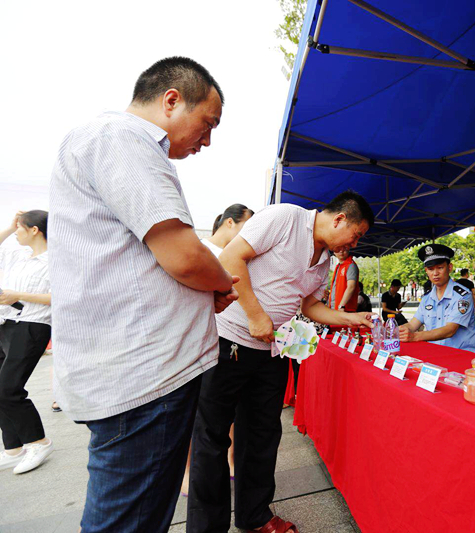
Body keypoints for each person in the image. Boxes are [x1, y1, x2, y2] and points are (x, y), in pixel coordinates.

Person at [49, 57, 239, 532]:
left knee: (142, 515)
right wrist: (221, 284)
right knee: (129, 521)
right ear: (172, 99)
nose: (207, 140)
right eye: (207, 124)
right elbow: (183, 256)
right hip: (142, 378)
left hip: (142, 372)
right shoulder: (121, 138)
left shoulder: (122, 145)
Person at [187, 190, 374, 533]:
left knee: (261, 436)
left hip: (272, 351)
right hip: (229, 342)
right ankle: (205, 527)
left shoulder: (325, 262)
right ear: (339, 219)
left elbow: (308, 306)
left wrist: (349, 319)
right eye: (356, 234)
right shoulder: (284, 217)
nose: (354, 243)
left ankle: (254, 515)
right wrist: (256, 315)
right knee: (211, 439)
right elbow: (231, 257)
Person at [180, 204, 254, 496]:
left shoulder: (244, 257)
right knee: (195, 412)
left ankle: (230, 460)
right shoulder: (201, 250)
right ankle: (186, 471)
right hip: (197, 341)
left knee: (230, 409)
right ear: (230, 223)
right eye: (249, 225)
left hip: (229, 343)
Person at [0, 211, 54, 474]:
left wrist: (17, 295)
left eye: (20, 228)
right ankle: (13, 448)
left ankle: (39, 442)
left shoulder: (55, 260)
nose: (17, 232)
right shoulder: (19, 256)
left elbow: (59, 297)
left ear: (35, 230)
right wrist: (10, 228)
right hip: (5, 325)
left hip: (33, 325)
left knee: (8, 388)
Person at [398, 244, 475, 353]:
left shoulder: (463, 296)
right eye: (431, 269)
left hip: (461, 355)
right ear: (426, 271)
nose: (435, 273)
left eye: (440, 268)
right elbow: (412, 325)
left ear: (449, 267)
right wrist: (393, 331)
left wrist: (415, 336)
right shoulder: (427, 298)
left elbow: (450, 330)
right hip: (435, 354)